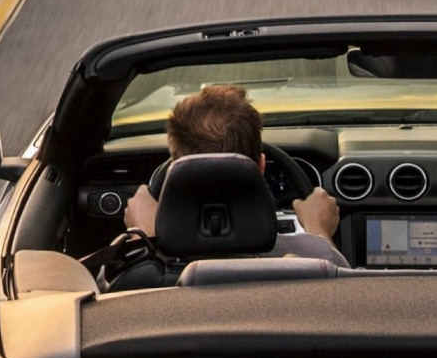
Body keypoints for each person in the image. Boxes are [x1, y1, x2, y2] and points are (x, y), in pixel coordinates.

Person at [124, 83, 349, 266]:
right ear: (261, 167)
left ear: (174, 172)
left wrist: (143, 235)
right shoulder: (314, 260)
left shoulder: (135, 264)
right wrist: (319, 228)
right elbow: (348, 299)